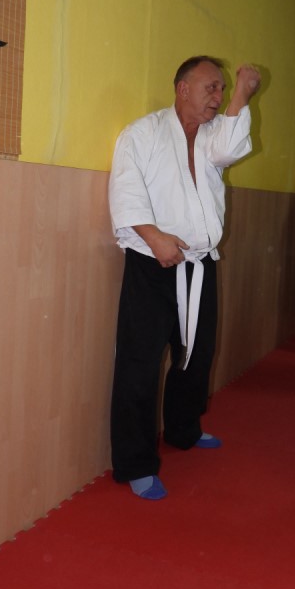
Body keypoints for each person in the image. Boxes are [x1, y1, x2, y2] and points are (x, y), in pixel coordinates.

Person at [108, 56, 261, 500]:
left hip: (199, 263)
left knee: (197, 354)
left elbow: (232, 147)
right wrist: (153, 236)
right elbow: (126, 189)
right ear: (183, 88)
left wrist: (241, 95)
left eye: (221, 88)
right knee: (140, 362)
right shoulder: (143, 133)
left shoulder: (211, 136)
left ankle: (183, 429)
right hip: (152, 263)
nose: (217, 96)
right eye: (212, 87)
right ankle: (135, 462)